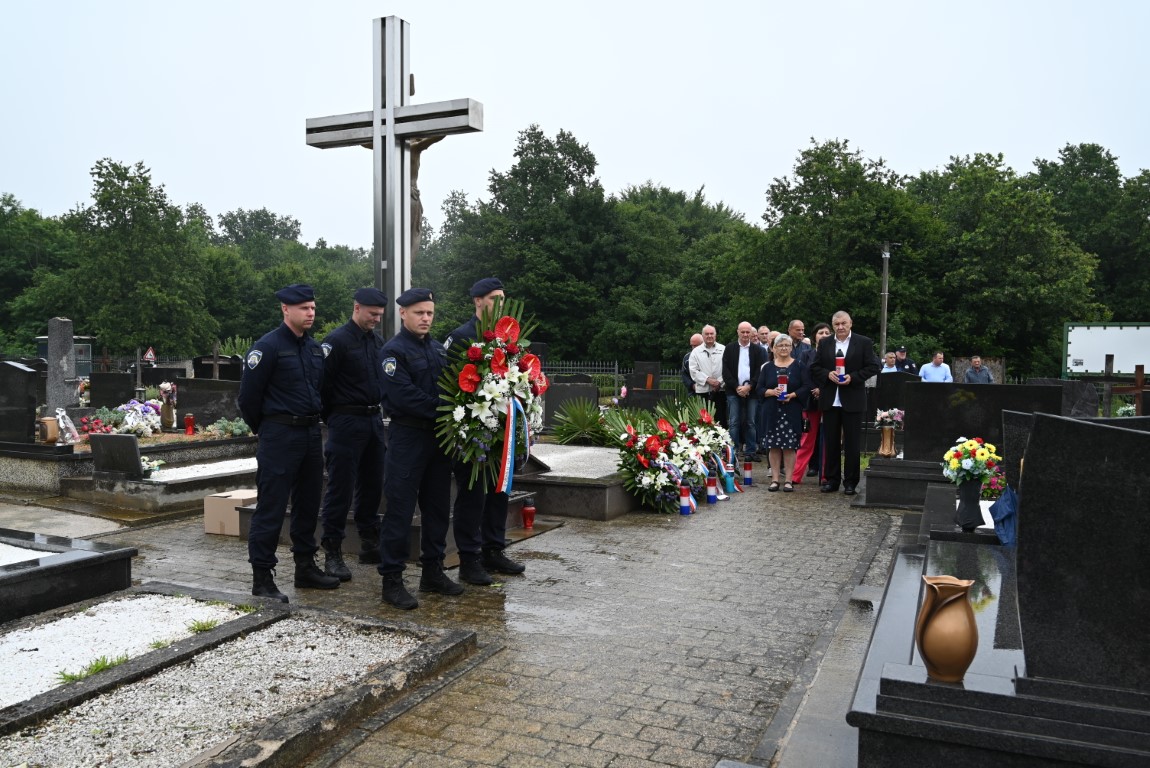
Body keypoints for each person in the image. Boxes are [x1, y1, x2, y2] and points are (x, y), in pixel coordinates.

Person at [238, 284, 340, 602]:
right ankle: (262, 577)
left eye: (313, 307)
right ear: (286, 309)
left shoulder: (314, 349)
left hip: (310, 433)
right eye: (304, 308)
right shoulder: (267, 347)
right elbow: (248, 399)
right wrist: (268, 428)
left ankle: (305, 567)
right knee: (272, 506)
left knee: (308, 504)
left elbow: (320, 390)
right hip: (280, 434)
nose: (311, 313)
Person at [377, 288, 462, 610]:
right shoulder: (392, 352)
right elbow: (404, 397)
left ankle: (433, 572)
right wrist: (447, 409)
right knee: (400, 510)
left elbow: (453, 388)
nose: (426, 318)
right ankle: (392, 580)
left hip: (438, 440)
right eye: (419, 313)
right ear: (403, 314)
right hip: (408, 438)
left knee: (437, 508)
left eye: (429, 313)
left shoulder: (439, 350)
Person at [443, 277, 526, 586]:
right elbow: (450, 385)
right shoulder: (461, 337)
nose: (500, 304)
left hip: (501, 429)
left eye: (503, 299)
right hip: (473, 430)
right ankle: (469, 559)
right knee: (472, 495)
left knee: (499, 491)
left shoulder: (508, 340)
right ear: (478, 301)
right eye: (494, 299)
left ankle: (494, 549)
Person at [317, 288, 388, 582]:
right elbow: (321, 384)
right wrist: (334, 417)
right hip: (346, 420)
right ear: (357, 308)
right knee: (341, 488)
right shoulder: (336, 341)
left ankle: (369, 543)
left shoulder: (377, 342)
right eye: (372, 314)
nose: (376, 319)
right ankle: (332, 551)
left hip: (373, 420)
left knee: (373, 484)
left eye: (380, 315)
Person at [810, 311, 880, 496]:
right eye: (837, 324)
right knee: (831, 442)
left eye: (843, 323)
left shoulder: (863, 342)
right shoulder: (825, 343)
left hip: (853, 398)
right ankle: (832, 480)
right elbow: (815, 367)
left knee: (852, 443)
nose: (840, 327)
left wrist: (853, 377)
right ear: (833, 325)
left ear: (850, 323)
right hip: (830, 399)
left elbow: (873, 366)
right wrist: (827, 374)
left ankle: (850, 482)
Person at [756, 335, 809, 492]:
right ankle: (774, 479)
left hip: (791, 412)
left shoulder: (799, 366)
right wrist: (771, 392)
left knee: (789, 447)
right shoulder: (767, 367)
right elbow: (759, 389)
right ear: (773, 348)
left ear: (791, 348)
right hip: (772, 411)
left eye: (787, 345)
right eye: (780, 345)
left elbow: (807, 386)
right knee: (773, 446)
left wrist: (792, 395)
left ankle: (788, 480)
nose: (784, 348)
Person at [721, 322, 768, 460]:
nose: (745, 335)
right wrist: (736, 387)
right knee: (734, 422)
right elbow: (725, 371)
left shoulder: (758, 350)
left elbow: (760, 371)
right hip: (733, 390)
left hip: (752, 391)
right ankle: (733, 451)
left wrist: (750, 386)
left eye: (748, 332)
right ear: (738, 332)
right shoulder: (729, 348)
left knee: (751, 422)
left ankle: (751, 451)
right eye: (743, 332)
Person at [792, 322, 831, 484]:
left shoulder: (835, 354)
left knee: (828, 440)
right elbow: (802, 375)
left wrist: (823, 389)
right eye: (821, 333)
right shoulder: (806, 354)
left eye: (827, 333)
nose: (824, 335)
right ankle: (795, 475)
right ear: (814, 336)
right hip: (810, 401)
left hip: (829, 399)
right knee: (806, 439)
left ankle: (826, 475)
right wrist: (814, 388)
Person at [688, 325, 726, 424]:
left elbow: (729, 368)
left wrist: (719, 382)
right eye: (707, 334)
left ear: (715, 335)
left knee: (721, 420)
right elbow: (693, 370)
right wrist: (708, 380)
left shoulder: (724, 349)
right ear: (702, 335)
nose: (709, 336)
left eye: (711, 333)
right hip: (703, 391)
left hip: (720, 391)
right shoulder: (695, 352)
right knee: (703, 422)